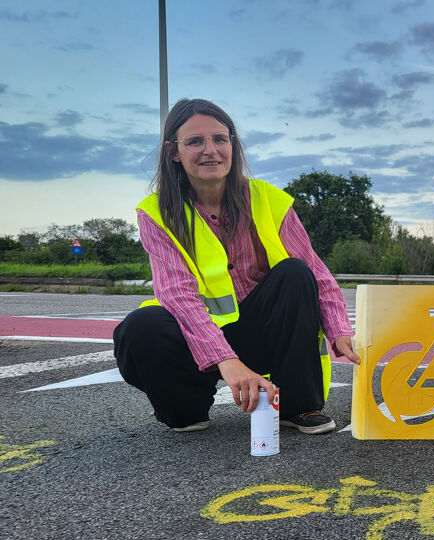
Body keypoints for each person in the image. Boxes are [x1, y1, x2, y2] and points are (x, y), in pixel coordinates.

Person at [114, 98, 359, 436]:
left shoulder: (267, 199)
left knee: (295, 274)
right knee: (140, 327)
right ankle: (185, 406)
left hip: (262, 333)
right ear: (174, 152)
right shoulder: (157, 212)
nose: (210, 150)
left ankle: (297, 405)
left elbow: (316, 271)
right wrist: (227, 361)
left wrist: (339, 329)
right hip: (196, 340)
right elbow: (178, 295)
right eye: (195, 141)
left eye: (220, 138)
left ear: (232, 145)